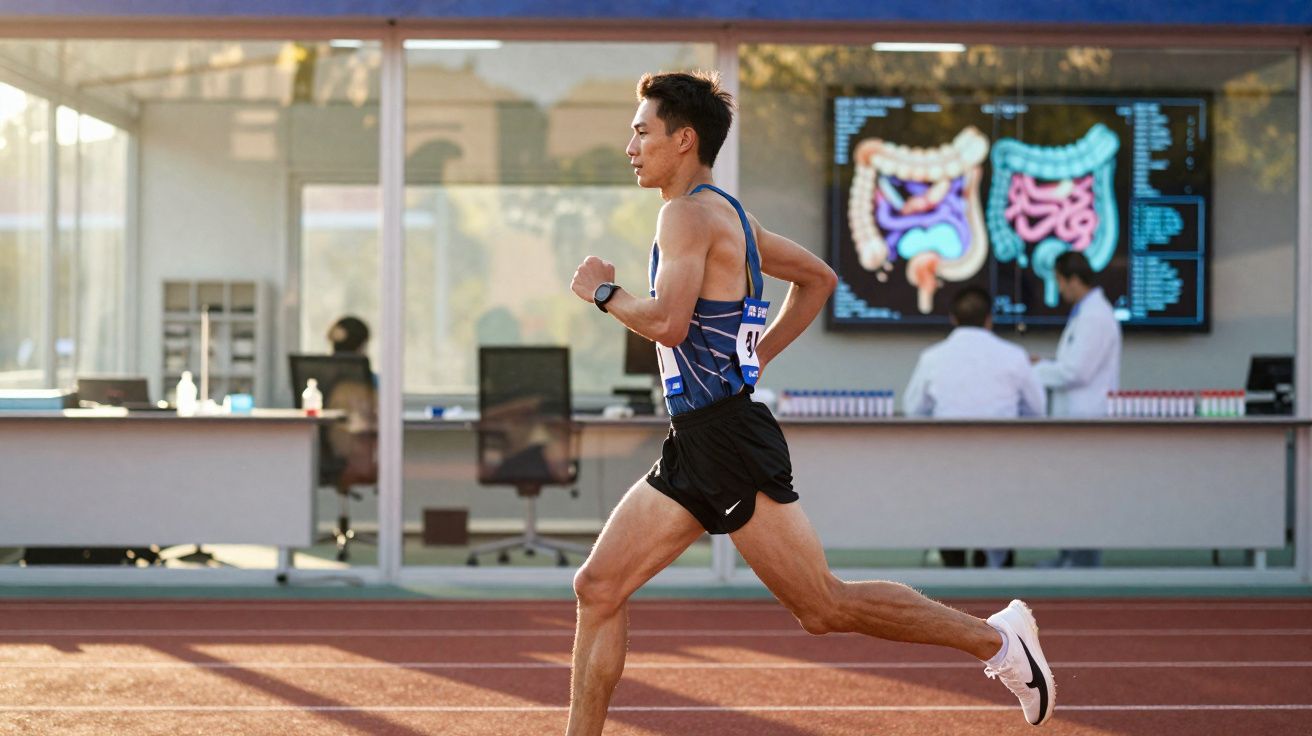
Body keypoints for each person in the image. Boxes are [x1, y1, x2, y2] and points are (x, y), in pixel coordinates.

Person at [566, 71, 1055, 734]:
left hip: (727, 440)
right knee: (598, 588)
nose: (631, 143)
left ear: (683, 140)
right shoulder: (730, 214)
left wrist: (604, 293)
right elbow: (818, 279)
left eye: (641, 130)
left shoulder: (685, 214)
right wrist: (756, 355)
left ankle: (999, 642)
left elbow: (669, 324)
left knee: (823, 606)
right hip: (699, 439)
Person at [904, 286, 1045, 569]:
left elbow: (913, 410)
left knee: (949, 519)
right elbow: (1037, 410)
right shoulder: (1015, 356)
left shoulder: (932, 357)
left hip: (948, 466)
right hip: (1001, 466)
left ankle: (953, 570)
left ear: (953, 319)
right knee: (998, 522)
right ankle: (994, 573)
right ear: (989, 319)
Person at [1032, 252, 1122, 568]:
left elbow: (1076, 372)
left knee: (1084, 495)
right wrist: (1045, 365)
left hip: (1086, 419)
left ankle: (1082, 563)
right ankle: (1071, 557)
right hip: (1077, 419)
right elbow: (1073, 365)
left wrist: (1035, 369)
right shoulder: (1086, 313)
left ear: (1071, 279)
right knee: (1072, 494)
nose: (1058, 289)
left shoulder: (1096, 317)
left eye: (1058, 281)